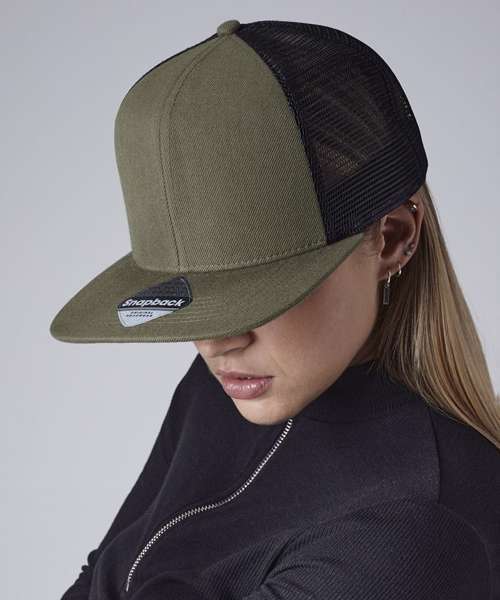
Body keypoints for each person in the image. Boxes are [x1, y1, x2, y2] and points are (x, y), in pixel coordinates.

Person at [50, 17, 500, 600]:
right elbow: (102, 574)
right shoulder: (224, 389)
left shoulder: (413, 534)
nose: (216, 341)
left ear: (391, 239)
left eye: (257, 290)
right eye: (196, 299)